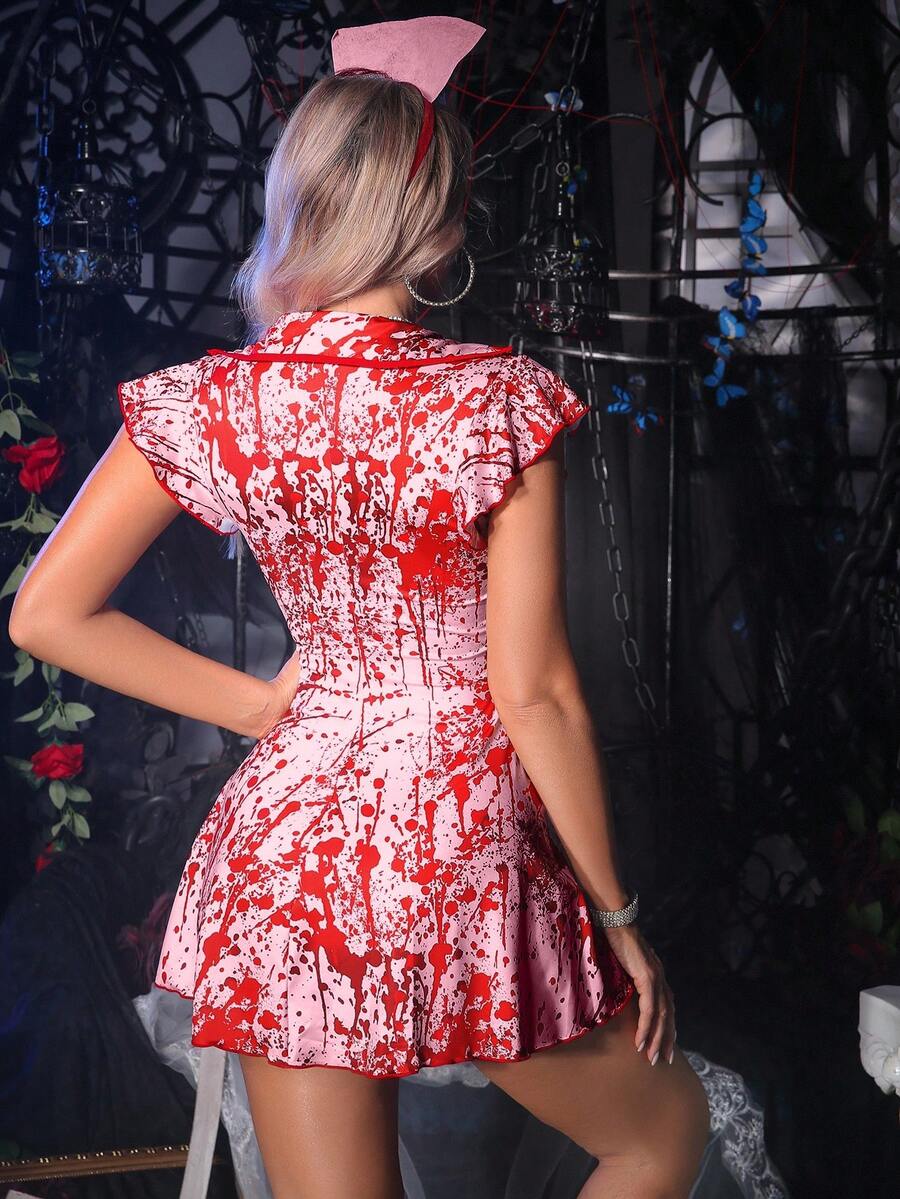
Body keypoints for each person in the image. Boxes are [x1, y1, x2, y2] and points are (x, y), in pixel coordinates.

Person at [8, 15, 710, 1199]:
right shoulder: (494, 400)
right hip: (453, 848)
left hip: (291, 852)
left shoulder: (212, 400)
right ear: (438, 223)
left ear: (301, 204)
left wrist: (253, 705)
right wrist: (618, 912)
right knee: (660, 1133)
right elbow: (534, 693)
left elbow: (44, 615)